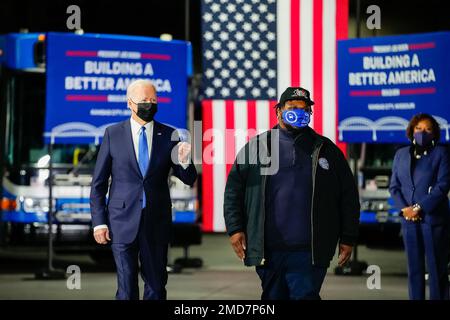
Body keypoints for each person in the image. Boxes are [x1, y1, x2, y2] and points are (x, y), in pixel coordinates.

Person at [223, 87, 360, 300]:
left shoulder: (326, 150)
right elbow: (234, 190)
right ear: (278, 111)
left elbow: (348, 197)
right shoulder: (257, 147)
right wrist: (235, 228)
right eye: (292, 107)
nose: (299, 112)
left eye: (305, 109)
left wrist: (348, 237)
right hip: (269, 250)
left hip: (310, 251)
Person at [90, 79, 197, 300]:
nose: (149, 104)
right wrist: (99, 222)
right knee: (127, 289)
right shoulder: (113, 134)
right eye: (144, 100)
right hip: (121, 221)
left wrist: (185, 160)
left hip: (156, 223)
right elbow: (99, 184)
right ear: (130, 103)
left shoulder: (170, 135)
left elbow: (188, 179)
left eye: (153, 100)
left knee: (156, 287)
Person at [389, 113, 450, 300]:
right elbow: (394, 186)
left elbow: (443, 185)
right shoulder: (401, 154)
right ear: (411, 131)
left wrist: (418, 207)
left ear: (435, 133)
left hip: (433, 220)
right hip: (409, 221)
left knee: (436, 270)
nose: (422, 132)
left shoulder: (442, 153)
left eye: (428, 129)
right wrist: (405, 209)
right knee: (414, 270)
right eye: (418, 129)